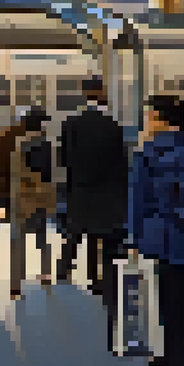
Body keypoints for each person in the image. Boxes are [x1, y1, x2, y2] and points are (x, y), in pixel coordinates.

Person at [129, 95, 184, 366]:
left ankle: (170, 356)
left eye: (149, 115)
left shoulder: (147, 152)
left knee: (164, 298)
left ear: (158, 118)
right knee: (179, 298)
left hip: (158, 232)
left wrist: (133, 237)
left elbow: (138, 199)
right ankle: (178, 358)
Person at [57, 79, 129, 303]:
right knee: (102, 237)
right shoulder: (113, 126)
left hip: (80, 190)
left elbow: (64, 159)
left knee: (75, 233)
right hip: (107, 193)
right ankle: (98, 281)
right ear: (101, 94)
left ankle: (63, 273)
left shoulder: (71, 124)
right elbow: (121, 163)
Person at [9, 108, 57, 300]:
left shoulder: (20, 145)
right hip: (42, 197)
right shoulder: (47, 145)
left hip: (23, 198)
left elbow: (16, 173)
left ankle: (16, 286)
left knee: (18, 241)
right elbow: (51, 172)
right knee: (42, 237)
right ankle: (45, 275)